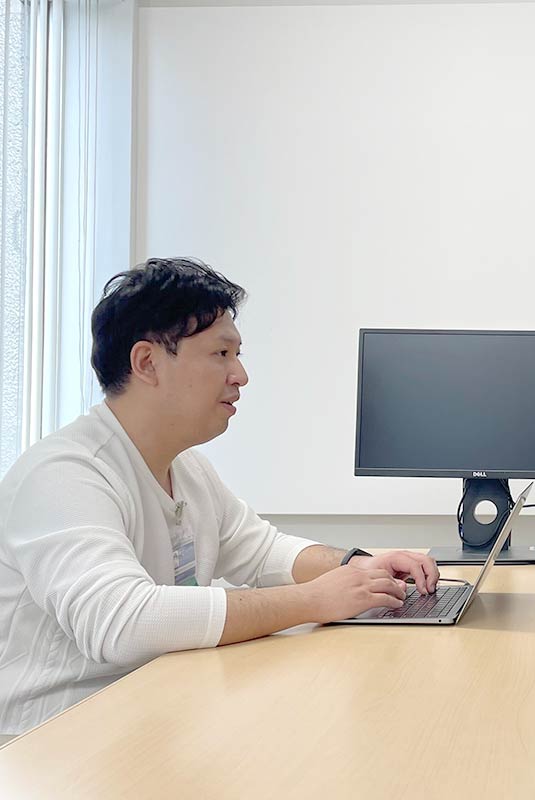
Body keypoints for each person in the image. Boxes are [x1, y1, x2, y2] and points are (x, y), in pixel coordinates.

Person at [0, 257, 439, 738]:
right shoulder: (64, 473)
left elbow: (261, 550)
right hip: (52, 740)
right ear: (146, 363)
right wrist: (314, 600)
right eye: (221, 354)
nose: (241, 375)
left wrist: (358, 567)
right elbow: (122, 622)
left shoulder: (186, 467)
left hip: (152, 713)